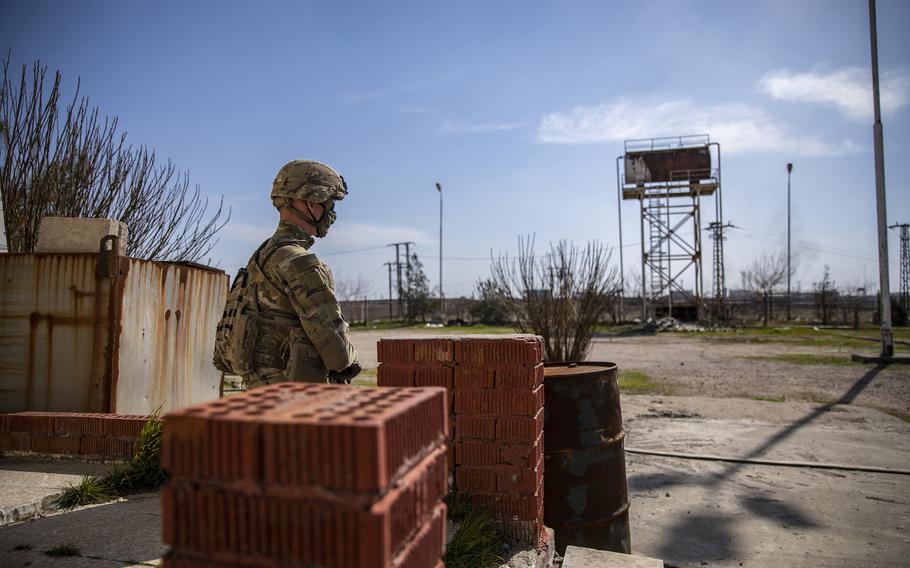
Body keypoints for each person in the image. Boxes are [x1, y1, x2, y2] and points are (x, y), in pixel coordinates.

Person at [214, 160, 360, 387]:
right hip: (291, 401)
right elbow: (337, 352)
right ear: (311, 202)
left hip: (259, 395)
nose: (331, 212)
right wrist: (351, 360)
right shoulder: (298, 262)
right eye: (328, 203)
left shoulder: (262, 256)